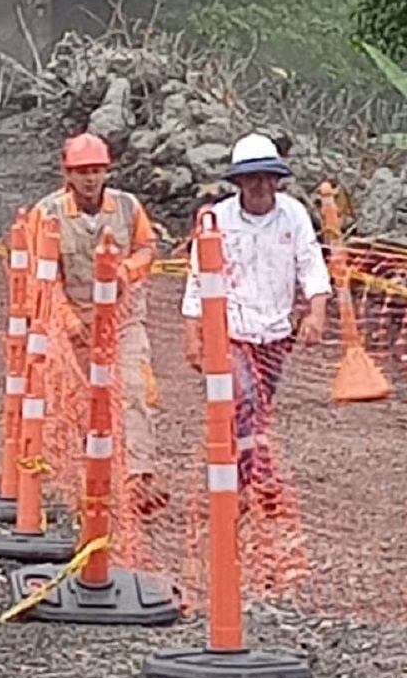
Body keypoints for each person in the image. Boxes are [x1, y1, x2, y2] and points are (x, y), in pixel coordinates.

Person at [182, 133, 331, 504]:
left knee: (259, 405)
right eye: (252, 178)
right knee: (243, 398)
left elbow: (310, 264)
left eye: (267, 177)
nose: (261, 185)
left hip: (276, 332)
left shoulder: (293, 214)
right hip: (230, 332)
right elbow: (197, 278)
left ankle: (237, 472)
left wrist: (316, 312)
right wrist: (192, 335)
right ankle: (248, 482)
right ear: (239, 182)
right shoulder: (217, 219)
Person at [29, 133, 165, 514]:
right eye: (82, 172)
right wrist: (68, 320)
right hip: (73, 320)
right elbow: (45, 277)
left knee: (135, 389)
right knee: (78, 400)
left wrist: (128, 270)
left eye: (97, 170)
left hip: (123, 319)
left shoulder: (127, 207)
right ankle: (82, 480)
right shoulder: (48, 213)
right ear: (67, 173)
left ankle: (139, 477)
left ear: (108, 170)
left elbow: (147, 248)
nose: (90, 179)